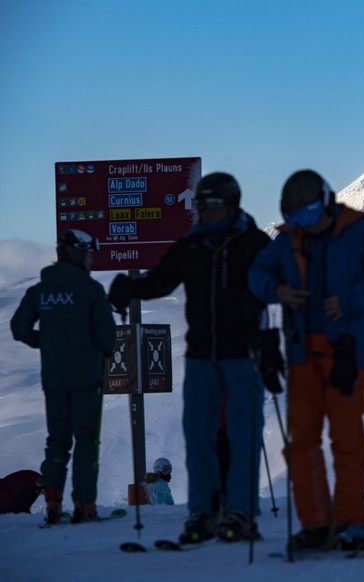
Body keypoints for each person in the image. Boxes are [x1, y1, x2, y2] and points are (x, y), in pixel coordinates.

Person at [107, 172, 270, 543]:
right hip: (200, 356)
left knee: (242, 436)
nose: (205, 213)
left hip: (243, 354)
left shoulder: (254, 243)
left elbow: (279, 284)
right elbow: (162, 280)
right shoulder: (191, 244)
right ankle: (203, 513)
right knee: (199, 437)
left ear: (231, 204)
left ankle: (241, 512)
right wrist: (129, 287)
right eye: (200, 205)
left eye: (212, 205)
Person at [248, 169, 364, 550]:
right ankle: (316, 525)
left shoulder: (361, 231)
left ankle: (351, 522)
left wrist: (351, 299)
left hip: (347, 355)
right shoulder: (287, 241)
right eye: (295, 216)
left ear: (325, 201)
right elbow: (256, 275)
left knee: (346, 439)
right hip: (302, 356)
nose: (302, 222)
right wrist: (277, 290)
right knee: (302, 442)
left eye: (307, 212)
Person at [10, 229, 116, 523]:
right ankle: (85, 506)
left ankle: (53, 500)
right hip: (86, 378)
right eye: (89, 254)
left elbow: (19, 328)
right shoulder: (91, 290)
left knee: (56, 441)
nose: (91, 260)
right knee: (86, 442)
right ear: (77, 254)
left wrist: (44, 342)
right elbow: (108, 336)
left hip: (54, 380)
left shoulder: (40, 290)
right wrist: (100, 351)